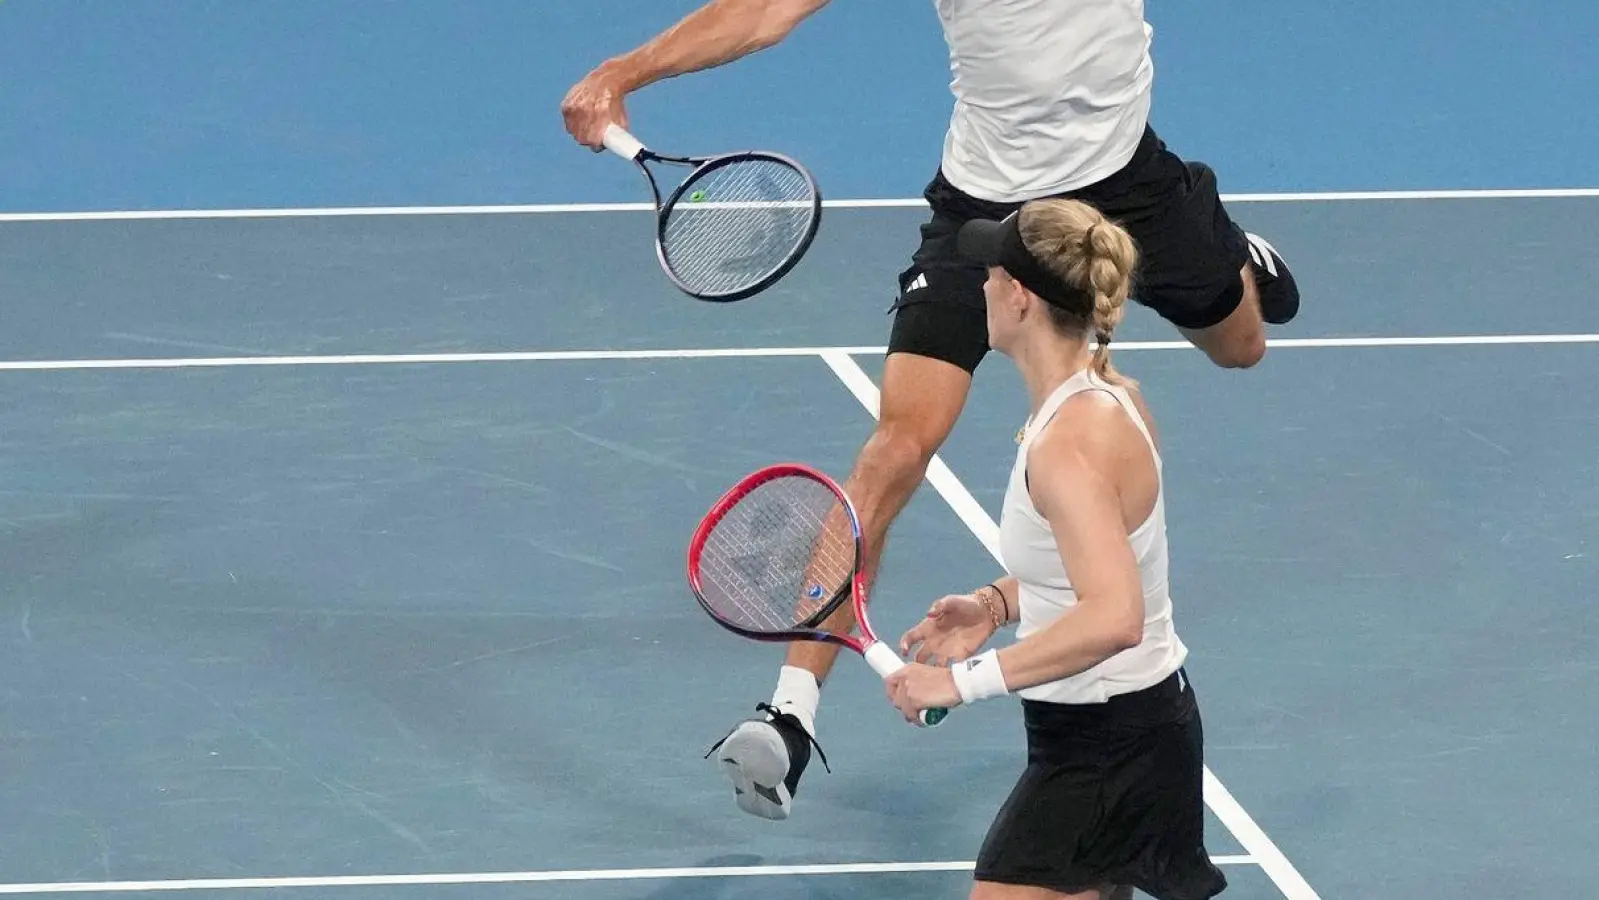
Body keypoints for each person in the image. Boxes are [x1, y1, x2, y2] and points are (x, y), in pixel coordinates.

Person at [561, 0, 1299, 821]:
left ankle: (1232, 251)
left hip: (1127, 184)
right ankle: (790, 712)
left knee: (1240, 347)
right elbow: (765, 10)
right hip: (983, 210)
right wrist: (621, 72)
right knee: (894, 450)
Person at [883, 197, 1224, 900]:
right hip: (1126, 728)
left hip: (1106, 747)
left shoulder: (1069, 444)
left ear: (1018, 297)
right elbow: (1093, 561)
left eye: (989, 272)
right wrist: (997, 601)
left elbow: (1112, 617)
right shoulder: (1098, 398)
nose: (979, 284)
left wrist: (960, 682)